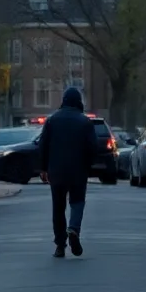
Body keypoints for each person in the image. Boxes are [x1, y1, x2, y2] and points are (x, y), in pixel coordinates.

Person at [38, 87, 96, 258]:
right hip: (78, 171)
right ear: (79, 102)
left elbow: (43, 145)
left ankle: (60, 245)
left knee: (58, 207)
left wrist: (43, 168)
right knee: (77, 202)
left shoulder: (52, 121)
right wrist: (88, 165)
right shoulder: (85, 122)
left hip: (56, 171)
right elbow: (93, 148)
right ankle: (74, 229)